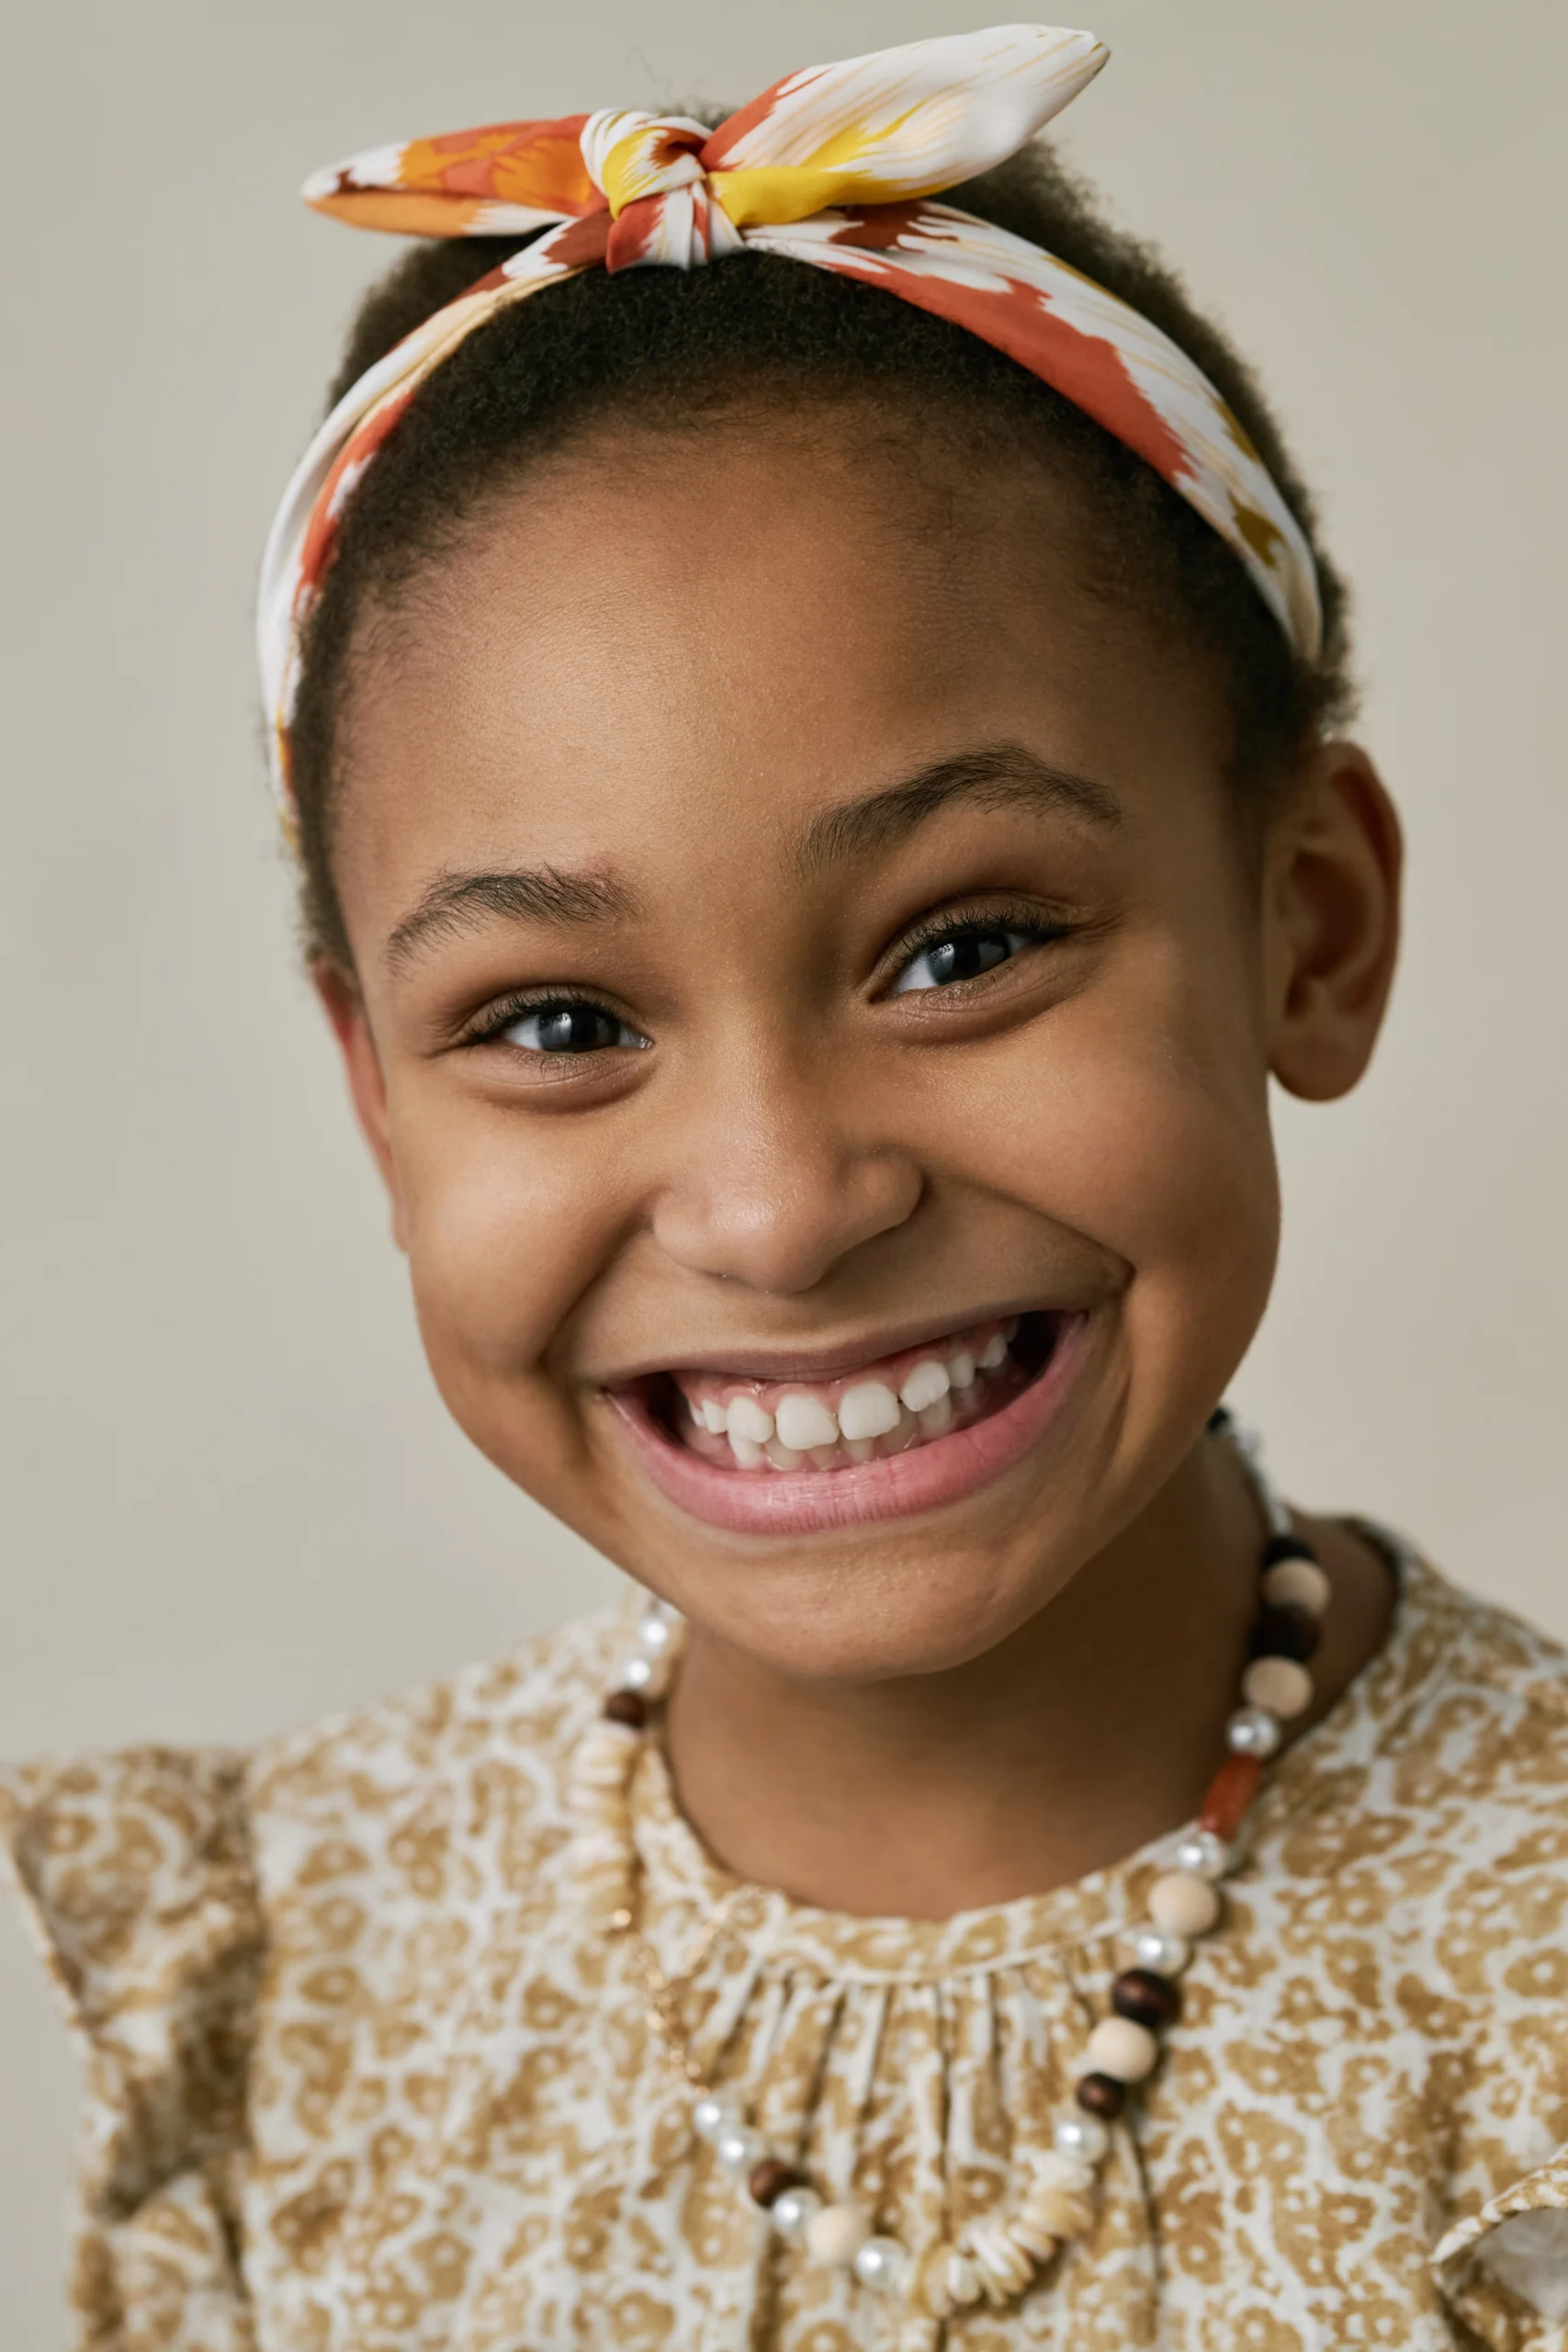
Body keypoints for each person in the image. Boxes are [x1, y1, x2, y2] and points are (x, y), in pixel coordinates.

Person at [6, 25, 1567, 2349]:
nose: (773, 1200)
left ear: (1307, 924)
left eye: (963, 947)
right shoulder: (298, 1976)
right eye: (555, 1022)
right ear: (372, 1093)